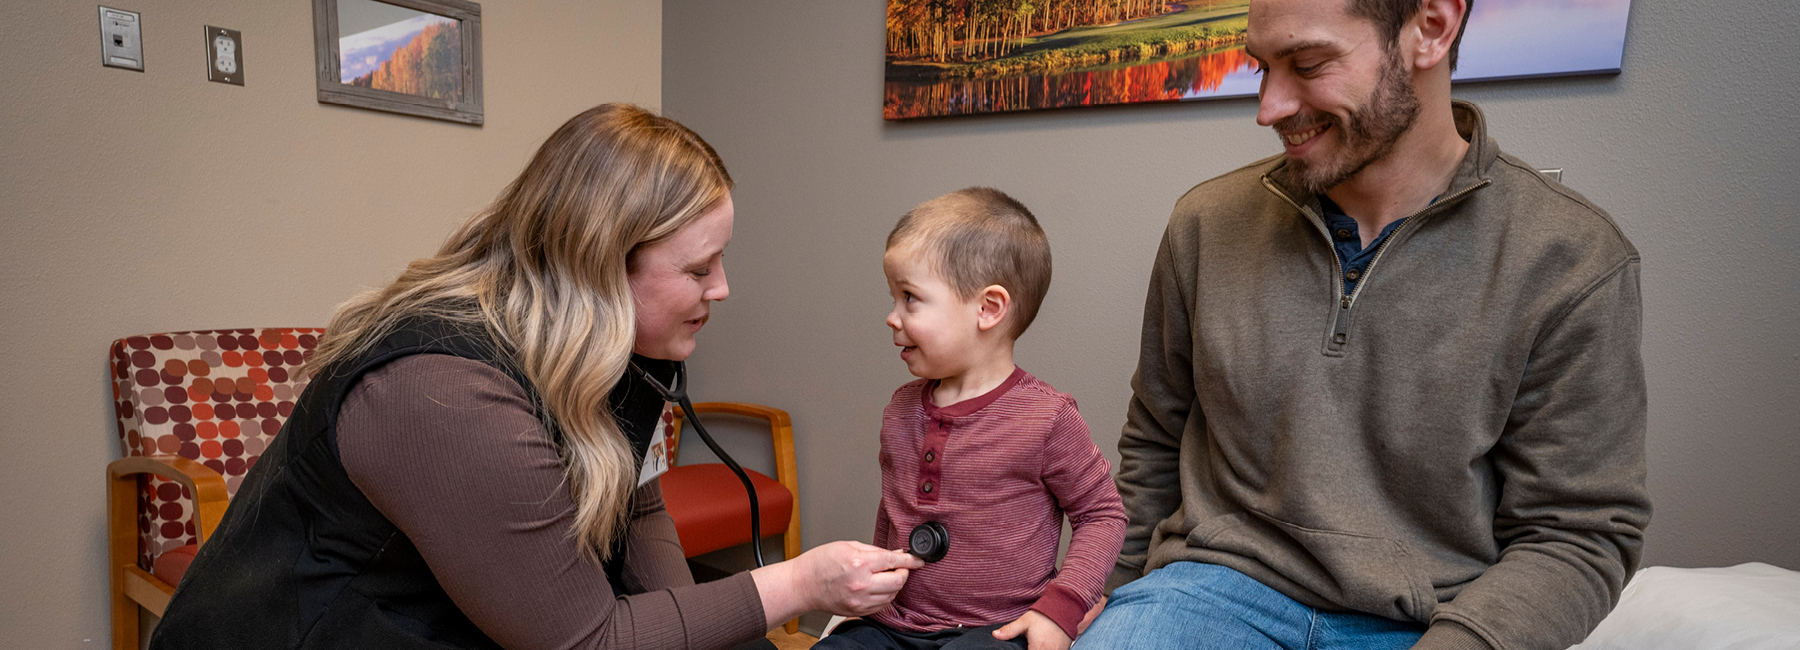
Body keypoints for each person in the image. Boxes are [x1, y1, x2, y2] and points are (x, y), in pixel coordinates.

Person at [148, 103, 924, 650]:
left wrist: (691, 623)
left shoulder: (624, 349)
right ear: (600, 263)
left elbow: (638, 499)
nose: (721, 289)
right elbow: (583, 640)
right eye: (698, 267)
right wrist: (803, 585)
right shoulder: (440, 391)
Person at [1075, 0, 1651, 649]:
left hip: (1433, 617)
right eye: (1262, 68)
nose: (1267, 108)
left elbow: (1577, 532)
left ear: (1431, 27)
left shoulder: (1569, 258)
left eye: (1310, 63)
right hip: (1213, 587)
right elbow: (1154, 439)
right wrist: (1103, 599)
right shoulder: (1206, 224)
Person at [817, 188, 1128, 650]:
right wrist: (871, 592)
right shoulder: (901, 409)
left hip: (997, 630)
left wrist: (1062, 607)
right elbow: (894, 512)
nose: (891, 317)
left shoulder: (1047, 417)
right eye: (893, 297)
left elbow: (1102, 513)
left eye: (909, 298)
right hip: (897, 623)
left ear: (988, 309)